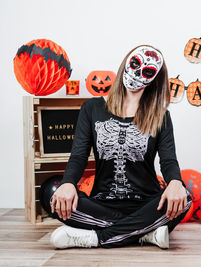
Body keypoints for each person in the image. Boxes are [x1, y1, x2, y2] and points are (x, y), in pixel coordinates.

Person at [49, 45, 192, 250]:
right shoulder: (92, 108)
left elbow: (168, 160)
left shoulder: (160, 115)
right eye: (135, 64)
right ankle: (145, 233)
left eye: (148, 71)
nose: (137, 73)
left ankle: (98, 238)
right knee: (52, 198)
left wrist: (176, 182)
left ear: (155, 78)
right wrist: (68, 183)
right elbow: (79, 155)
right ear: (126, 62)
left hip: (148, 203)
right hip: (102, 204)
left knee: (185, 198)